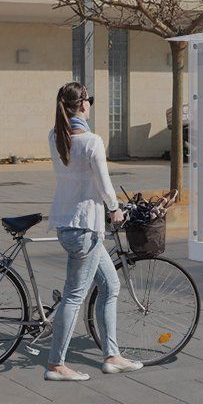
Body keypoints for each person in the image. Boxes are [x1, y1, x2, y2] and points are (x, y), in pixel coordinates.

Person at [44, 81, 143, 382]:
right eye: (90, 100)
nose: (90, 104)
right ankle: (55, 364)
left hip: (66, 222)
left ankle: (111, 356)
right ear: (83, 104)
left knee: (110, 286)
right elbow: (103, 183)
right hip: (85, 226)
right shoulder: (91, 141)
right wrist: (115, 209)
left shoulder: (55, 136)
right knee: (74, 296)